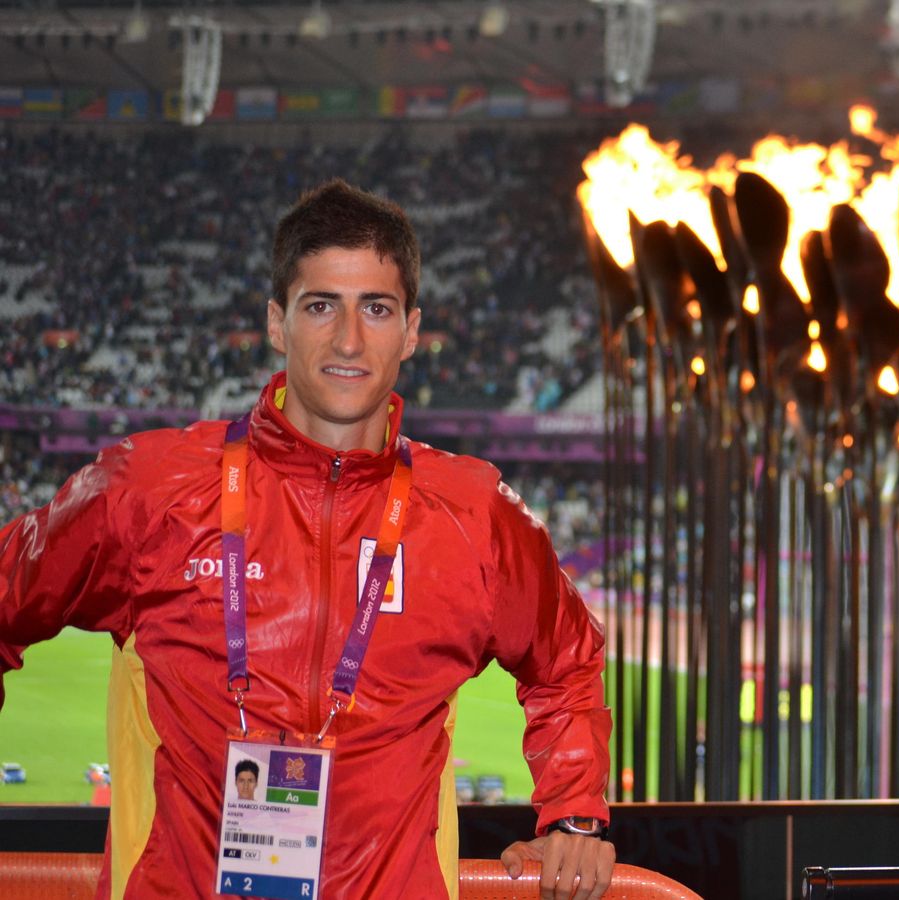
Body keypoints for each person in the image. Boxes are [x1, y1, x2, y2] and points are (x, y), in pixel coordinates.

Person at [0, 180, 615, 900]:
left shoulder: (472, 513)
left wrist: (573, 814)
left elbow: (567, 662)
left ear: (411, 330)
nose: (349, 339)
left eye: (376, 309)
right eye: (321, 305)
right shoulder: (148, 490)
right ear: (274, 321)